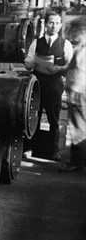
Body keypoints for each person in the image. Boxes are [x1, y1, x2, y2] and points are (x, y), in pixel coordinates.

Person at [25, 12, 74, 161]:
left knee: (54, 119)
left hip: (54, 86)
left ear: (60, 25)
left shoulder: (65, 44)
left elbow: (71, 65)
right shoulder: (36, 43)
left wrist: (59, 69)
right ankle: (29, 149)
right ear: (45, 24)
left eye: (57, 23)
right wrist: (30, 64)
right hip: (37, 85)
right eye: (51, 23)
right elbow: (28, 62)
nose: (54, 26)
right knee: (34, 117)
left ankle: (54, 151)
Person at [59, 18, 86, 172]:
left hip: (79, 92)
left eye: (75, 31)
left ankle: (77, 163)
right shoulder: (81, 47)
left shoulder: (83, 50)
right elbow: (71, 67)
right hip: (78, 91)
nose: (72, 35)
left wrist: (75, 91)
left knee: (78, 127)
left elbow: (81, 74)